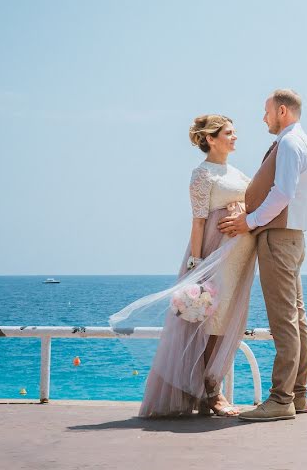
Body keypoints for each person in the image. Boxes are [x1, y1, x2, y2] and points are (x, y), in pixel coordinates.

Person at [110, 115, 257, 417]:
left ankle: (207, 389)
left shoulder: (238, 173)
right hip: (215, 256)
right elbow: (199, 220)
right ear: (211, 139)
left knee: (225, 321)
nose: (235, 137)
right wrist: (197, 264)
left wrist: (244, 209)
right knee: (210, 322)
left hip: (239, 257)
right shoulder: (202, 174)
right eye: (229, 133)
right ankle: (210, 392)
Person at [218, 89, 307, 422]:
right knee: (296, 317)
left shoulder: (291, 143)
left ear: (282, 111)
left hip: (279, 238)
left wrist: (248, 222)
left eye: (266, 112)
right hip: (290, 238)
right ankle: (298, 395)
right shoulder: (298, 141)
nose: (262, 118)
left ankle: (281, 400)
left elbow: (283, 193)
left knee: (284, 320)